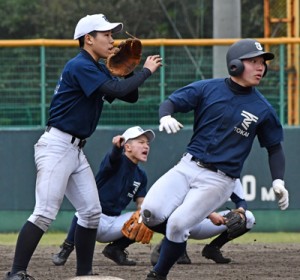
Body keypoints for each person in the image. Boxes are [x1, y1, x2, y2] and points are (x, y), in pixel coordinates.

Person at [4, 13, 162, 280]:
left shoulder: (98, 67)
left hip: (75, 150)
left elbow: (130, 95)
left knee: (90, 213)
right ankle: (16, 272)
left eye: (112, 34)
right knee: (44, 212)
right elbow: (119, 91)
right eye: (107, 35)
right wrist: (146, 69)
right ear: (89, 39)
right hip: (56, 146)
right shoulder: (79, 65)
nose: (113, 40)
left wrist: (129, 65)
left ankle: (85, 274)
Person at [140, 38, 289, 280]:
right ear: (235, 65)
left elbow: (274, 148)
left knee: (178, 224)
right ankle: (174, 243)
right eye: (253, 61)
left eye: (262, 63)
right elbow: (171, 102)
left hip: (219, 181)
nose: (261, 67)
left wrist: (278, 181)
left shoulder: (263, 109)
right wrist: (165, 116)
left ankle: (158, 274)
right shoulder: (208, 88)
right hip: (187, 166)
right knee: (149, 213)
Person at [51, 126, 155, 267]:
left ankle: (115, 249)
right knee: (84, 210)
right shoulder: (116, 162)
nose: (146, 146)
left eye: (147, 143)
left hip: (115, 224)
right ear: (128, 147)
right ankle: (67, 246)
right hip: (93, 219)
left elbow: (141, 202)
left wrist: (147, 216)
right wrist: (117, 147)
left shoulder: (141, 175)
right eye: (141, 142)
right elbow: (113, 157)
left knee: (148, 216)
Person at [150, 179, 256, 266]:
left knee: (248, 217)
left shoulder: (232, 176)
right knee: (181, 216)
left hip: (205, 225)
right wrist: (209, 214)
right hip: (186, 221)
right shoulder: (197, 169)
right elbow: (179, 200)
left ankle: (213, 248)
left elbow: (241, 201)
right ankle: (174, 245)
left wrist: (240, 212)